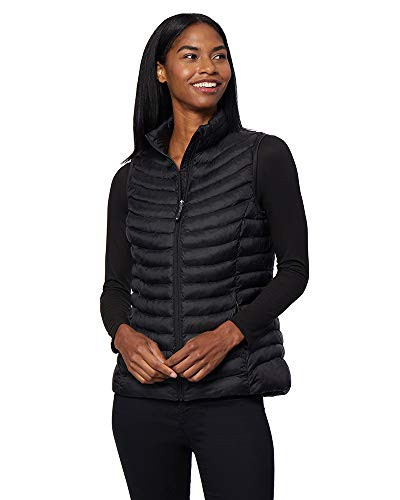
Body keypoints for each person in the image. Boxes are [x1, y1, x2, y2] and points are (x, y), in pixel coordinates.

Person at [100, 13, 309, 500]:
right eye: (190, 56)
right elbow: (115, 288)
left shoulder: (263, 157)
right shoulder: (131, 179)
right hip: (141, 401)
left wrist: (229, 333)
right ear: (160, 70)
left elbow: (295, 271)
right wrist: (122, 336)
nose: (208, 67)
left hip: (230, 395)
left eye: (219, 55)